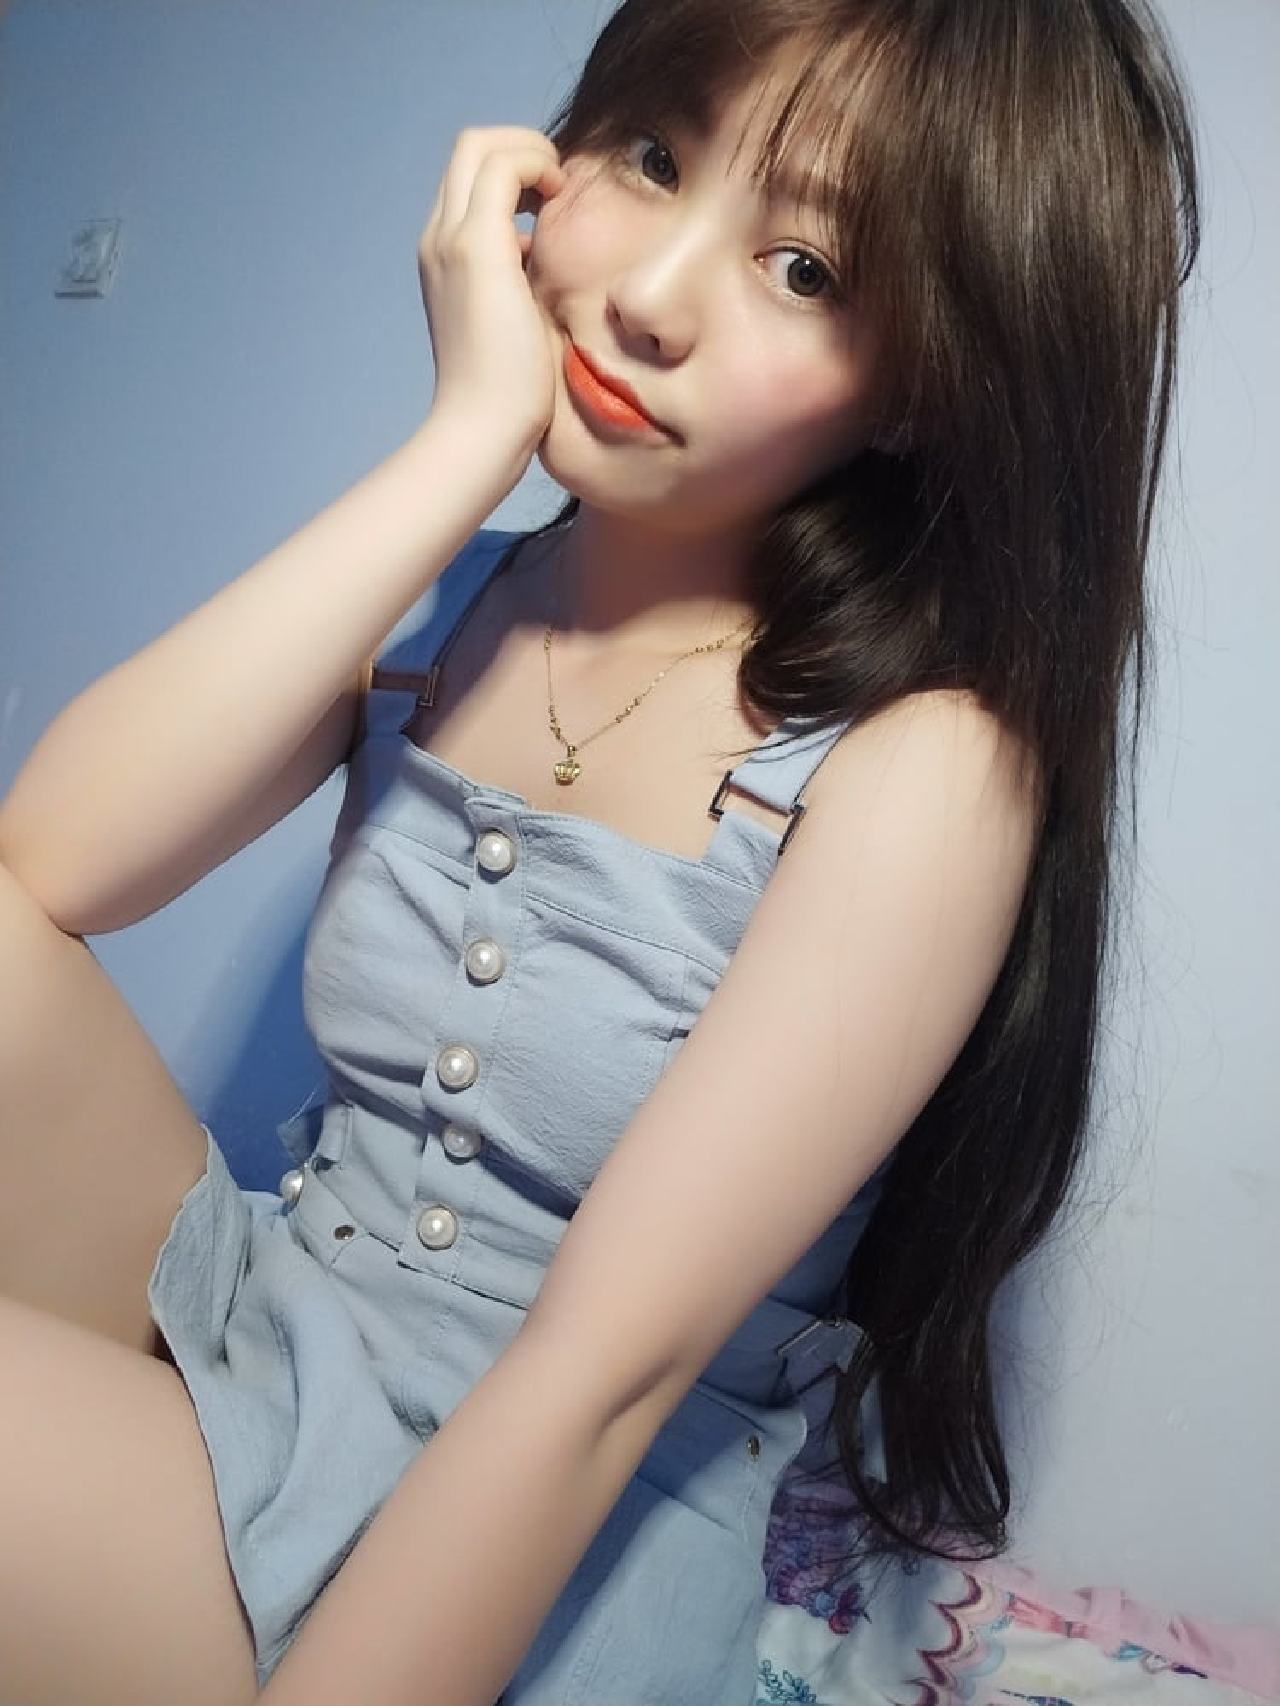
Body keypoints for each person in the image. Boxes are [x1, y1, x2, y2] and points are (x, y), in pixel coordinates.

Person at [0, 0, 1200, 1701]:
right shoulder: (469, 594)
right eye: (651, 157)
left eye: (807, 269)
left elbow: (599, 1384)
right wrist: (458, 446)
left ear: (927, 385)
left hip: (537, 1527)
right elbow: (54, 861)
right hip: (285, 1318)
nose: (653, 294)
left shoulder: (924, 763)